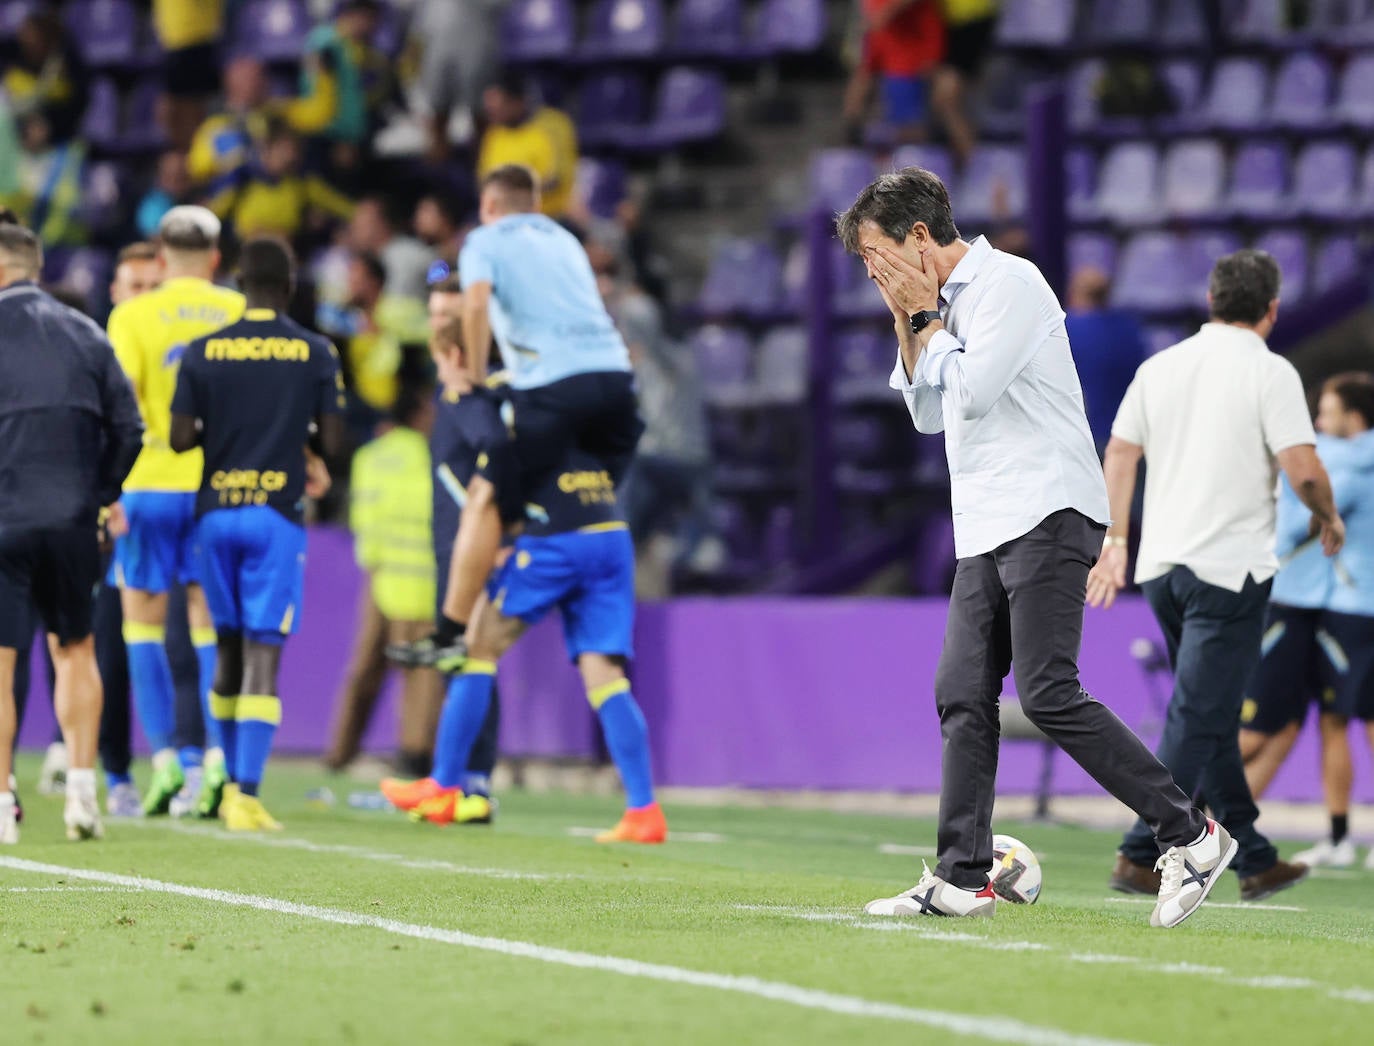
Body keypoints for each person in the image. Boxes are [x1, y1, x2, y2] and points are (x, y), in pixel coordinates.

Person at [838, 166, 1231, 928]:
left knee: (1049, 690)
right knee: (960, 691)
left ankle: (1192, 833)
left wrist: (925, 319)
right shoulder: (936, 308)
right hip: (987, 521)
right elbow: (927, 414)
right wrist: (907, 319)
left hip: (1048, 506)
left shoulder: (1010, 284)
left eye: (876, 254)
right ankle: (962, 877)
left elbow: (976, 389)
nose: (872, 271)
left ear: (919, 237)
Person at [1087, 249, 1337, 903]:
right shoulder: (1270, 371)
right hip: (1229, 569)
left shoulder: (1162, 366)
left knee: (1213, 711)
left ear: (1211, 301)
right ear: (1272, 309)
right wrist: (1328, 518)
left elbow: (1118, 451)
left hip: (1164, 565)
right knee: (1199, 710)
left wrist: (1116, 538)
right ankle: (1141, 851)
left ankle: (1254, 856)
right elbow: (1304, 469)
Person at [382, 330, 663, 843]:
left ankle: (444, 786)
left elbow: (495, 451)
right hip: (607, 527)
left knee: (475, 647)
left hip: (557, 535)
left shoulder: (508, 393)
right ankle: (643, 809)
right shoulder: (577, 394)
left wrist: (465, 394)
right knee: (605, 674)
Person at [414, 165, 640, 673]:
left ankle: (451, 627)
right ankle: (557, 523)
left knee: (485, 491)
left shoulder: (484, 240)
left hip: (554, 383)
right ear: (535, 205)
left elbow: (476, 306)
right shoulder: (563, 239)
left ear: (488, 206)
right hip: (616, 380)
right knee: (585, 475)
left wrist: (471, 373)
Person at [169, 237, 344, 831]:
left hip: (215, 511)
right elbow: (337, 446)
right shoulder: (315, 351)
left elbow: (179, 439)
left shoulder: (201, 352)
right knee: (265, 652)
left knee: (226, 647)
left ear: (238, 286)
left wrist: (225, 422)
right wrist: (304, 447)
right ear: (290, 287)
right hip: (276, 514)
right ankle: (246, 792)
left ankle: (220, 779)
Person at [0, 222, 144, 844]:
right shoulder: (89, 334)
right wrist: (99, 494)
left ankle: (2, 804)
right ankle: (83, 794)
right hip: (72, 520)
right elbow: (131, 429)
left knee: (0, 664)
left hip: (3, 519)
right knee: (76, 650)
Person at [106, 206, 245, 817]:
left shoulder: (132, 315)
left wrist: (108, 488)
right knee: (210, 622)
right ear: (216, 258)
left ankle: (166, 762)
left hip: (149, 485)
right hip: (217, 487)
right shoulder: (240, 313)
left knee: (140, 623)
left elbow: (122, 408)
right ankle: (216, 761)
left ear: (161, 259)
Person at [1240, 372, 1374, 869]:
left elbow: (1297, 516)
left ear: (1354, 418)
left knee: (1341, 724)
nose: (1319, 421)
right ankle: (1337, 838)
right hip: (1338, 608)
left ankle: (1339, 840)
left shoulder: (1343, 459)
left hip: (1353, 609)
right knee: (1325, 723)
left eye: (1329, 410)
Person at [379, 319, 505, 816]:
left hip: (478, 547)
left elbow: (496, 452)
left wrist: (498, 520)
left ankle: (463, 784)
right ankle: (457, 783)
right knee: (470, 654)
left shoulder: (470, 402)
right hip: (464, 545)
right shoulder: (481, 399)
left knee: (473, 652)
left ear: (456, 355)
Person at [325, 386, 444, 776]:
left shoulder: (370, 456)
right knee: (422, 672)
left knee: (364, 668)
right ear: (418, 414)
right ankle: (415, 757)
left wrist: (374, 562)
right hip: (422, 581)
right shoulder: (432, 456)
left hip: (380, 576)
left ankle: (340, 753)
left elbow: (364, 514)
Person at [99, 244, 160, 817]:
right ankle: (114, 771)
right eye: (134, 286)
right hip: (113, 507)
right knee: (105, 645)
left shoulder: (179, 354)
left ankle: (186, 765)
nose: (143, 296)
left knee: (181, 644)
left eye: (152, 286)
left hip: (170, 504)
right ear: (115, 294)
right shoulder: (94, 352)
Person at [206, 121, 356, 241]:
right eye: (283, 149)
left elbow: (342, 207)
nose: (289, 156)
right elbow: (214, 214)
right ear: (267, 149)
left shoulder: (302, 184)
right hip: (247, 261)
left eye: (294, 150)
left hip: (286, 261)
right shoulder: (243, 178)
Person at [1064, 266, 1148, 455]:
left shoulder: (1066, 328)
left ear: (1074, 293)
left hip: (1081, 435)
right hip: (1126, 432)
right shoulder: (1129, 328)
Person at [843, 1, 946, 145]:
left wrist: (887, 11)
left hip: (910, 58)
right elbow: (876, 21)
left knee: (910, 126)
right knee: (860, 90)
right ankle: (855, 138)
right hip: (888, 50)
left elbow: (882, 17)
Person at [477, 74, 574, 219]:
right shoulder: (493, 134)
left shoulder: (551, 128)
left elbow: (555, 180)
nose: (491, 112)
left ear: (516, 102)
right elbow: (484, 180)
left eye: (498, 106)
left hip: (548, 218)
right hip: (501, 219)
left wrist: (511, 195)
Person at [151, 0, 224, 150]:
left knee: (199, 110)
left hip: (199, 40)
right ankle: (188, 153)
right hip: (176, 43)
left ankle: (200, 153)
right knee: (176, 111)